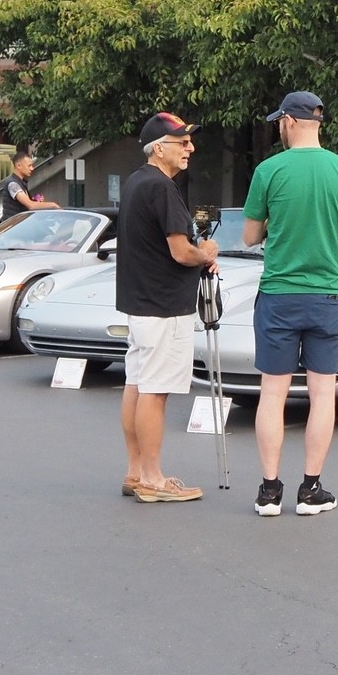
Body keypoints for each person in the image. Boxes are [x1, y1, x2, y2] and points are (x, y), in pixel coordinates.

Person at [242, 90, 338, 518]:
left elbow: (249, 237)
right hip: (327, 297)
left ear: (290, 122)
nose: (279, 128)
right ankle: (311, 489)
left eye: (279, 121)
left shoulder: (268, 170)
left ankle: (269, 491)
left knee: (272, 393)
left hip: (278, 296)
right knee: (322, 394)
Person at [117, 112, 218, 504]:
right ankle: (153, 479)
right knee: (155, 391)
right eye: (182, 142)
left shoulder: (136, 182)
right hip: (164, 305)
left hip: (141, 302)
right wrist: (205, 253)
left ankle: (136, 471)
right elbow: (180, 251)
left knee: (138, 384)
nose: (190, 147)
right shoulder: (162, 187)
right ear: (159, 148)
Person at [2, 148, 61, 218]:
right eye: (29, 166)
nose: (32, 168)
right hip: (14, 224)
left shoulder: (20, 182)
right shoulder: (13, 184)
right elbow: (31, 205)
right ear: (19, 166)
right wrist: (53, 205)